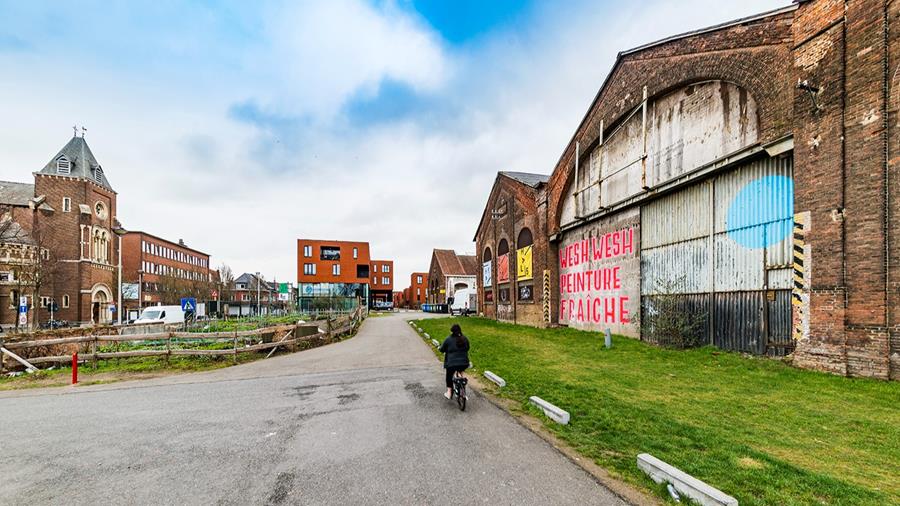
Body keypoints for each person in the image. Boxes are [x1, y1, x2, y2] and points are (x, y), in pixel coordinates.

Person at [438, 323, 470, 399]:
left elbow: (442, 349)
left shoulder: (448, 339)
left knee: (449, 376)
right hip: (464, 363)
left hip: (452, 363)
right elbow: (468, 348)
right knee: (460, 371)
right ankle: (462, 388)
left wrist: (440, 348)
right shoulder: (464, 338)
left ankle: (449, 393)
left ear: (452, 331)